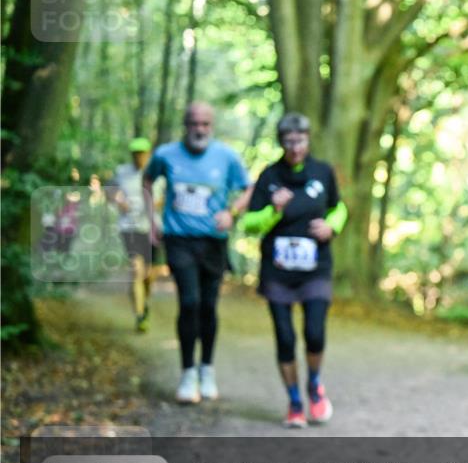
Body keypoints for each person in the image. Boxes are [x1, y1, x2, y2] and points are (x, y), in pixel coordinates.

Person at [241, 113, 345, 428]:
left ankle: (314, 384)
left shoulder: (323, 172)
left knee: (314, 332)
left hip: (316, 268)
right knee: (285, 338)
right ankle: (295, 402)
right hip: (278, 271)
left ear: (308, 139)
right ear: (281, 142)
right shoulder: (269, 176)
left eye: (300, 140)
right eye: (289, 141)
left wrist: (332, 226)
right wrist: (274, 210)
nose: (295, 147)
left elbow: (339, 207)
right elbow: (249, 223)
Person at [144, 102, 251, 404]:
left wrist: (232, 213)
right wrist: (152, 219)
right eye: (194, 123)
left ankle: (207, 369)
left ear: (212, 126)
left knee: (208, 306)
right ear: (185, 125)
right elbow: (147, 181)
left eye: (205, 124)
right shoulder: (166, 154)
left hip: (213, 243)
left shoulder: (227, 156)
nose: (200, 129)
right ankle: (187, 372)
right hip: (179, 240)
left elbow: (249, 189)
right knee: (189, 302)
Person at [112, 137, 156, 332]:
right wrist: (120, 202)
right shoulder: (122, 172)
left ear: (148, 154)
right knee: (136, 271)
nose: (139, 157)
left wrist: (153, 205)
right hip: (129, 228)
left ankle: (143, 303)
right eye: (136, 153)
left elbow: (166, 196)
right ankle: (140, 316)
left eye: (143, 153)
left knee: (149, 275)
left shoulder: (156, 172)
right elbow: (110, 191)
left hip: (152, 230)